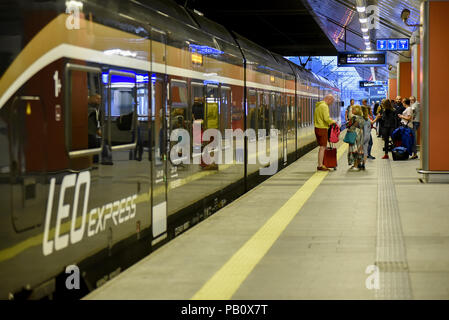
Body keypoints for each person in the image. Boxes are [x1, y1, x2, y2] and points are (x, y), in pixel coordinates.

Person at [314, 94, 336, 171]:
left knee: (322, 147)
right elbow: (326, 118)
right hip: (322, 128)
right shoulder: (324, 106)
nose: (331, 104)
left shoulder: (318, 105)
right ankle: (320, 165)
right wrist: (333, 122)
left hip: (317, 127)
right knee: (323, 147)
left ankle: (321, 164)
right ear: (329, 99)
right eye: (331, 102)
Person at [347, 105, 365, 171]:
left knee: (354, 149)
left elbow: (348, 125)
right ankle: (358, 164)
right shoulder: (362, 117)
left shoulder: (354, 117)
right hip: (360, 134)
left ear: (356, 110)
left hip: (354, 134)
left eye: (353, 110)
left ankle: (355, 165)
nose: (352, 111)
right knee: (359, 149)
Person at [88, 94, 102, 163]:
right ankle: (90, 164)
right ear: (92, 98)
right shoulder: (92, 110)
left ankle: (91, 163)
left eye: (99, 99)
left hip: (91, 132)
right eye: (97, 99)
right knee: (92, 149)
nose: (99, 101)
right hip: (90, 133)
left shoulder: (95, 109)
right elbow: (95, 123)